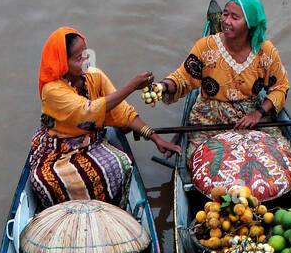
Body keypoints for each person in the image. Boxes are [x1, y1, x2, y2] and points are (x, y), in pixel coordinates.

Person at [158, 0, 291, 201]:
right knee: (198, 163)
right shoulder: (206, 47)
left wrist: (258, 114)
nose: (226, 21)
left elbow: (280, 87)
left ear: (249, 24)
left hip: (249, 117)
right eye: (225, 14)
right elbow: (184, 78)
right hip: (209, 117)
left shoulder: (265, 51)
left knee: (283, 156)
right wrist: (163, 86)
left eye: (235, 17)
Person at [29, 27, 181, 208]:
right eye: (78, 58)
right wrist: (131, 86)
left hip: (91, 141)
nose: (86, 60)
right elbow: (89, 110)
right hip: (58, 148)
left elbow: (122, 112)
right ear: (63, 62)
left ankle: (106, 209)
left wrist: (154, 137)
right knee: (45, 181)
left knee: (122, 164)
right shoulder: (52, 90)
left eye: (86, 53)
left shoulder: (95, 76)